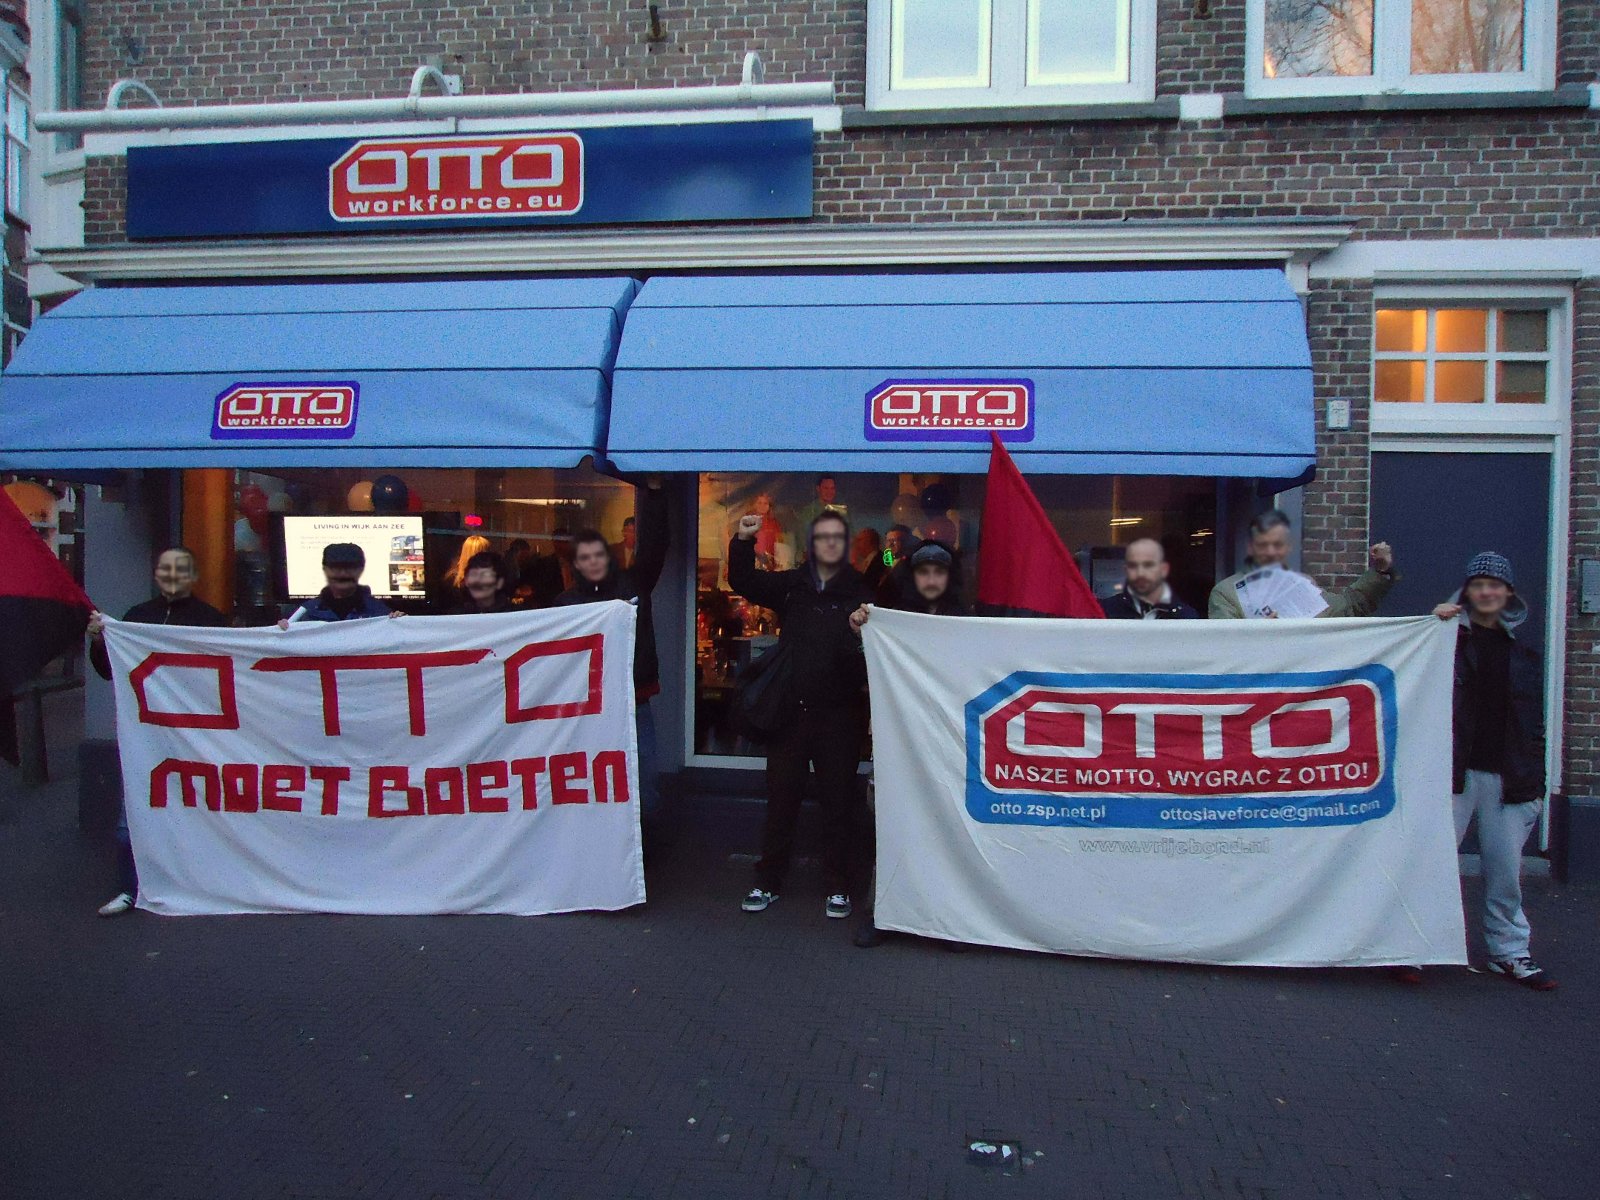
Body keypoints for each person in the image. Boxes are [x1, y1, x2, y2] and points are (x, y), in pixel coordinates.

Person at [729, 508, 872, 919]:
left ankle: (838, 886)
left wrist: (860, 635)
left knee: (838, 803)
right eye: (822, 536)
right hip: (791, 714)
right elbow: (744, 580)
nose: (829, 543)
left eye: (836, 537)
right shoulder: (793, 585)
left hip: (841, 716)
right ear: (812, 545)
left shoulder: (860, 591)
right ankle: (768, 881)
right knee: (781, 800)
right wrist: (742, 541)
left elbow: (874, 653)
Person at [1431, 553, 1556, 991]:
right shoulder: (1445, 642)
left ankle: (1509, 951)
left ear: (1508, 594)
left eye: (1495, 585)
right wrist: (1432, 627)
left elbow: (1532, 723)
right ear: (1467, 592)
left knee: (1505, 874)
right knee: (1432, 865)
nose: (1487, 591)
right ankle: (1418, 945)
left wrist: (1534, 783)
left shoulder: (1524, 655)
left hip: (1506, 779)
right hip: (1453, 775)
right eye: (1479, 584)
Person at [86, 547, 229, 917]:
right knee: (131, 813)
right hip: (146, 733)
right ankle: (129, 889)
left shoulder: (212, 620)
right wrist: (101, 641)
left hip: (197, 733)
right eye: (165, 568)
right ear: (156, 574)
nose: (172, 575)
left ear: (192, 575)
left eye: (180, 568)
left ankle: (207, 883)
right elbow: (109, 670)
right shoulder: (136, 618)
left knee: (203, 808)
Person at [847, 540, 969, 947]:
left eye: (939, 572)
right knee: (890, 819)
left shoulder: (968, 621)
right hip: (899, 738)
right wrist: (862, 627)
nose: (931, 579)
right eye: (924, 572)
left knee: (947, 822)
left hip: (947, 740)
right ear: (913, 576)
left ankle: (945, 915)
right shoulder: (894, 620)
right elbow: (860, 659)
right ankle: (881, 911)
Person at [554, 484, 669, 816]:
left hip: (635, 703)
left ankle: (646, 858)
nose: (592, 562)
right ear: (576, 564)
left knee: (644, 787)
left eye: (598, 555)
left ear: (609, 557)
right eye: (584, 558)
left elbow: (656, 546)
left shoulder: (634, 585)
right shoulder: (566, 604)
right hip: (587, 710)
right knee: (594, 787)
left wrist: (655, 496)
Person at [1208, 510, 1397, 619]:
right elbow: (1225, 646)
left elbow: (1349, 607)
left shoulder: (1303, 585)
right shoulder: (1226, 593)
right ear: (1250, 547)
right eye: (1263, 545)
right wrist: (1260, 633)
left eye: (1277, 545)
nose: (1271, 551)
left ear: (1287, 548)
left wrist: (1380, 569)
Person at [280, 543, 395, 624]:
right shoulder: (304, 613)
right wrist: (281, 633)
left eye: (349, 568)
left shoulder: (380, 612)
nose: (343, 574)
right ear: (325, 569)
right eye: (335, 568)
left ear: (361, 570)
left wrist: (401, 623)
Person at [1100, 538, 1200, 620]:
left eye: (1148, 565)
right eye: (1133, 566)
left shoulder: (1186, 616)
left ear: (1164, 569)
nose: (1140, 573)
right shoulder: (1105, 611)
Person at [446, 551, 516, 615]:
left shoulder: (514, 615)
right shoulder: (455, 616)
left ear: (499, 582)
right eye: (473, 575)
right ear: (466, 581)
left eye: (485, 576)